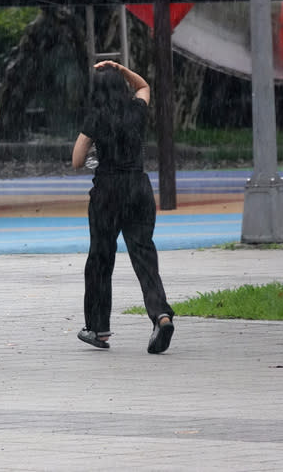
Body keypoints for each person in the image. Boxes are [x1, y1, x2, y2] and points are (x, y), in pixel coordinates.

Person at [72, 60, 175, 354]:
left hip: (107, 193)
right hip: (138, 189)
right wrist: (120, 68)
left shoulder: (96, 117)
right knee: (144, 254)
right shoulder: (136, 110)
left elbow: (77, 160)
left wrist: (94, 147)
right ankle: (161, 315)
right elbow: (144, 86)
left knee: (100, 260)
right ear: (121, 87)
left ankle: (98, 329)